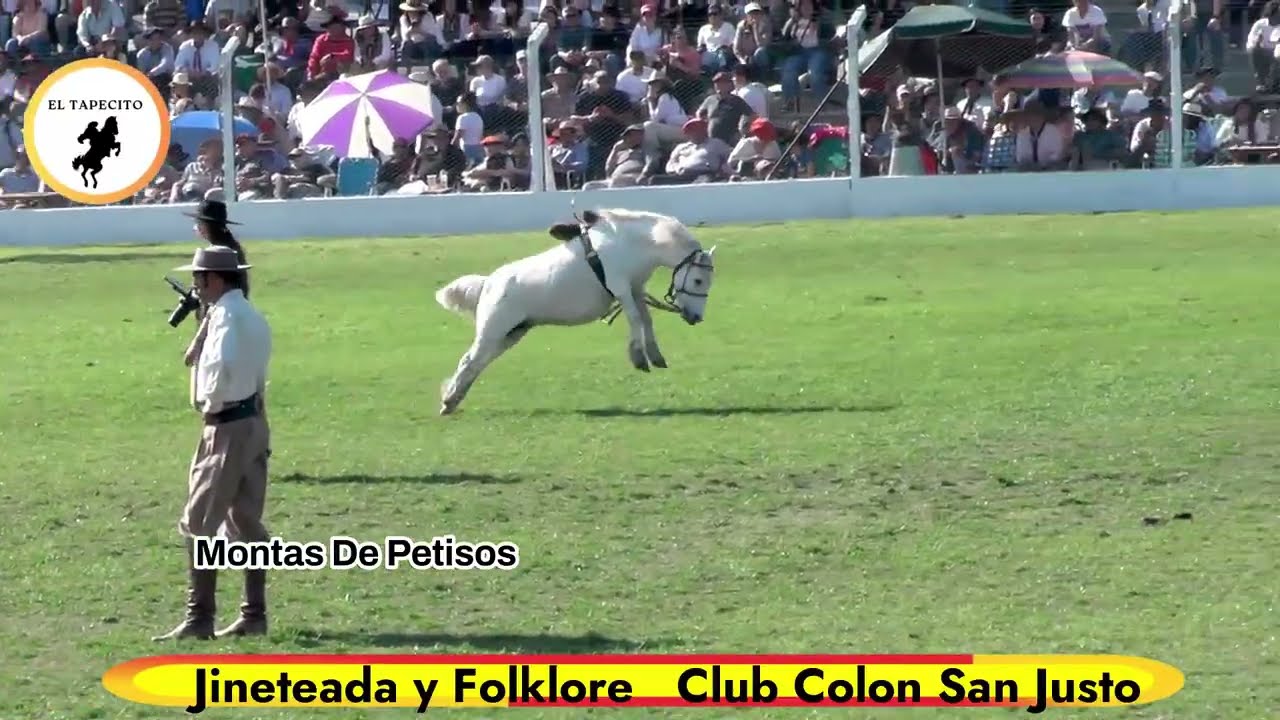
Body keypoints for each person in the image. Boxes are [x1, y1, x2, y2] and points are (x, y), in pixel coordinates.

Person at [153, 245, 273, 641]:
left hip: (225, 426)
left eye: (198, 278)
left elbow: (219, 366)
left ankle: (199, 617)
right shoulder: (251, 315)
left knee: (197, 522)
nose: (195, 286)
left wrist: (209, 402)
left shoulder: (225, 318)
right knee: (245, 521)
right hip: (253, 422)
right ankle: (253, 615)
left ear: (214, 279)